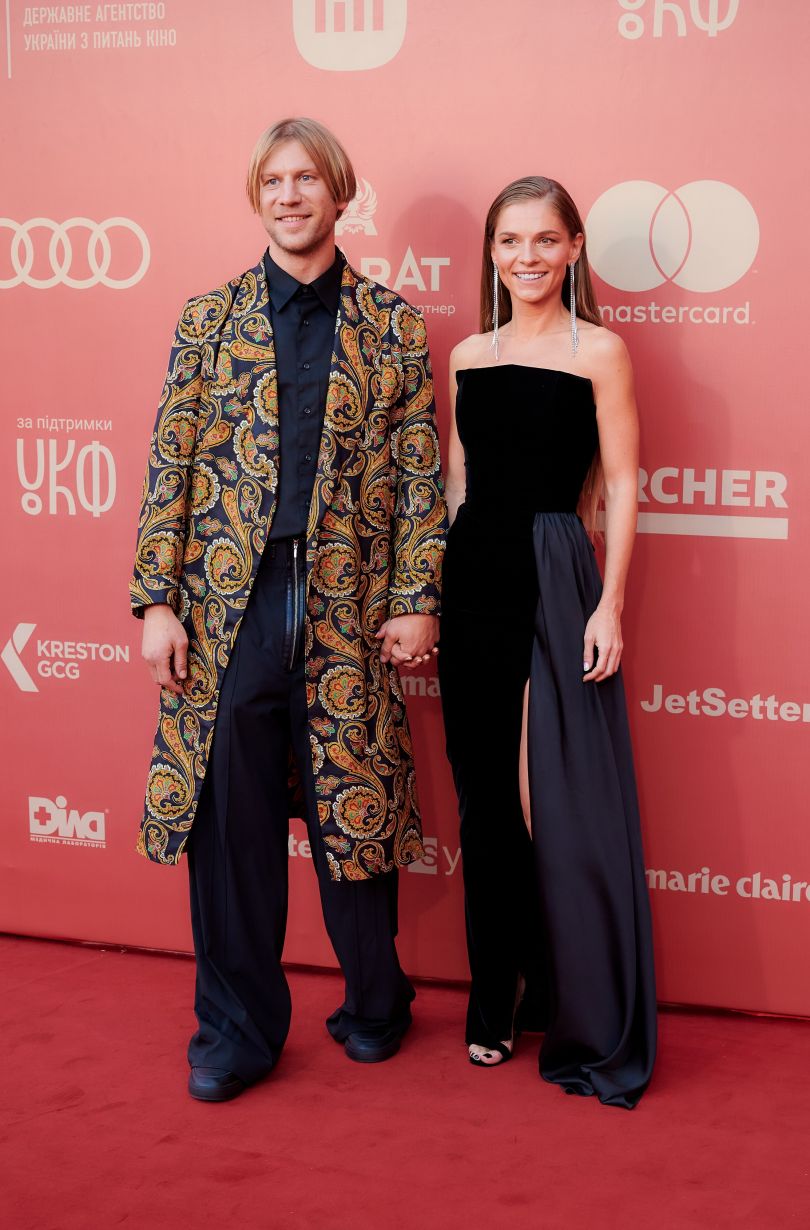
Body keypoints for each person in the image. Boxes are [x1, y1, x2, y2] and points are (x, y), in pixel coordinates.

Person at [130, 117, 447, 1101]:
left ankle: (376, 1001)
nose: (291, 195)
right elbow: (171, 464)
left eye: (308, 178)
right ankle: (236, 1033)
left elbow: (420, 476)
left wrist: (417, 599)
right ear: (257, 196)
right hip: (230, 604)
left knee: (356, 806)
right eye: (274, 180)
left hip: (349, 602)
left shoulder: (392, 325)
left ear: (340, 192)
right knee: (231, 823)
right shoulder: (208, 319)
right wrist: (156, 600)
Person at [439, 176, 656, 1109]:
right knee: (483, 804)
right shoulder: (467, 354)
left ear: (573, 249)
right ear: (492, 253)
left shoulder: (599, 351)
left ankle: (568, 995)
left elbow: (624, 483)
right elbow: (457, 485)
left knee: (550, 803)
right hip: (472, 579)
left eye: (543, 240)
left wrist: (609, 605)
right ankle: (495, 997)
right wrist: (435, 593)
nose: (524, 257)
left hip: (556, 573)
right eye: (508, 241)